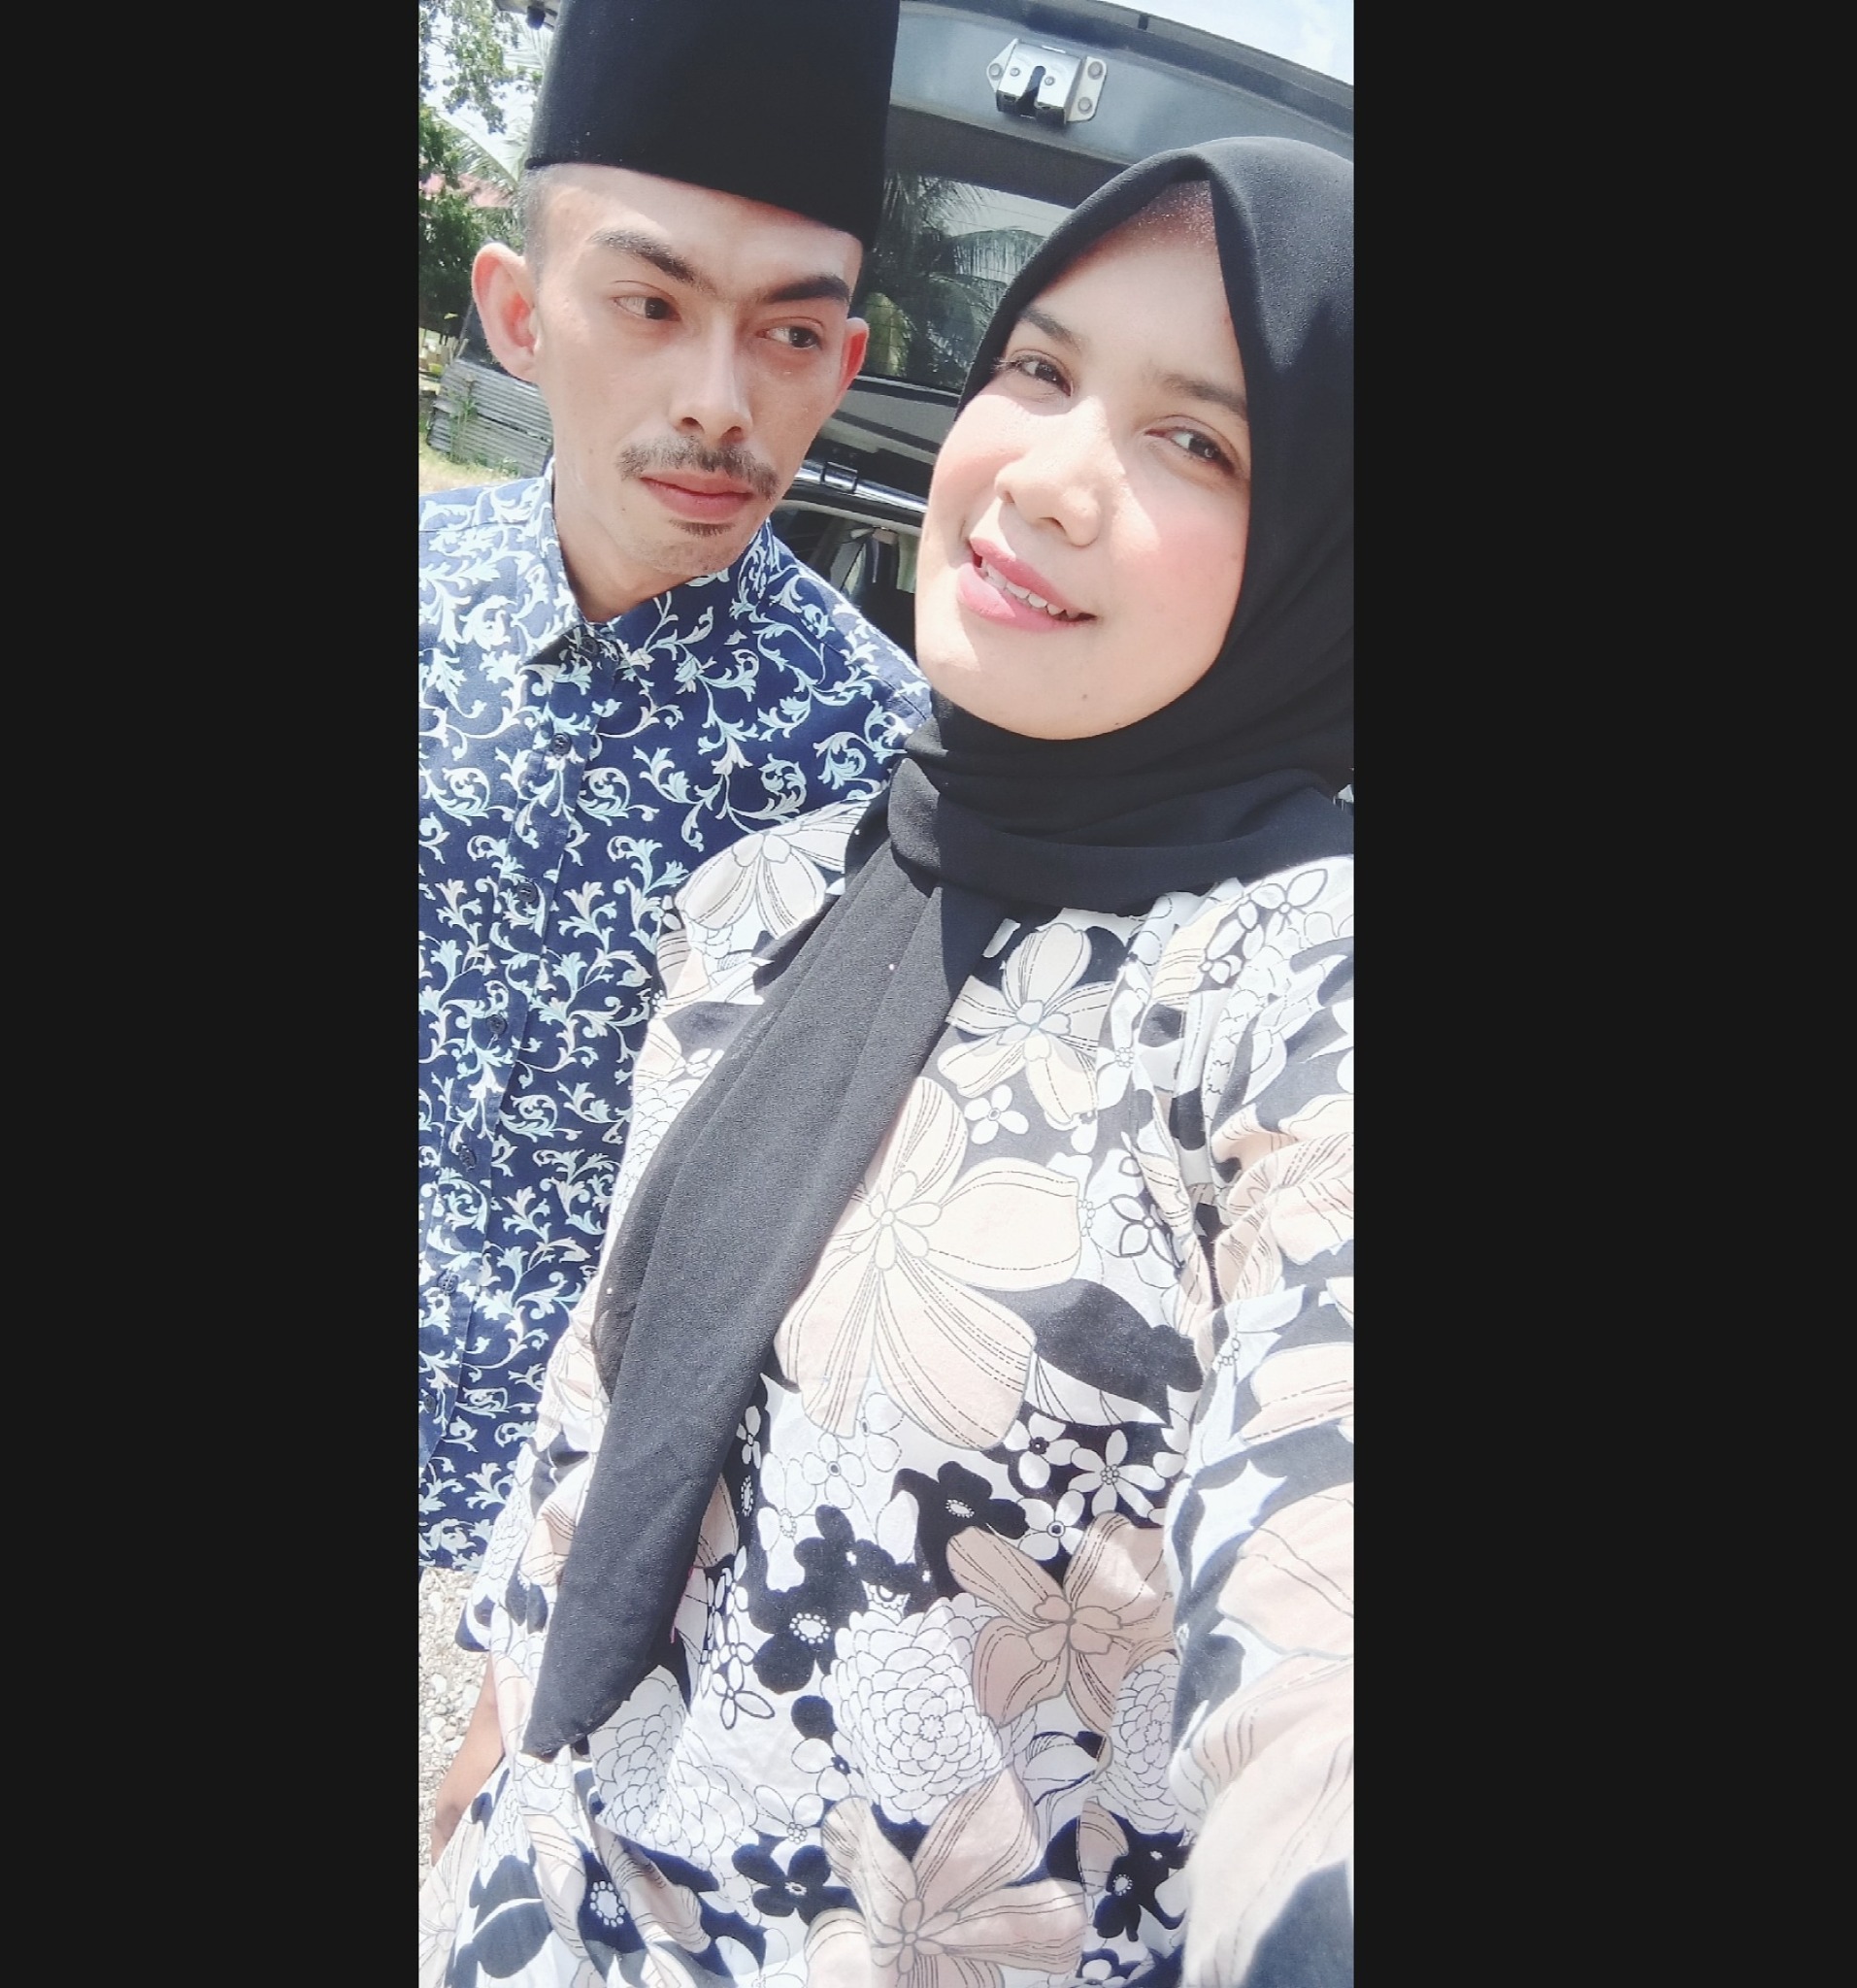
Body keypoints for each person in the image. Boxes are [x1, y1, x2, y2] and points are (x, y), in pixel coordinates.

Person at [423, 136, 1353, 1988]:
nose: (1051, 475)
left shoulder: (1290, 995)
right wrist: (464, 1785)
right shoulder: (778, 895)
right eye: (1040, 369)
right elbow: (603, 1431)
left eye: (1196, 440)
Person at [420, 0, 928, 1570]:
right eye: (649, 302)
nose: (721, 400)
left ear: (843, 364)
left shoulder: (887, 766)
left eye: (789, 333)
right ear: (519, 314)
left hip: (581, 1522)